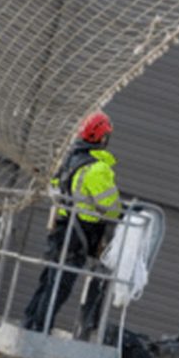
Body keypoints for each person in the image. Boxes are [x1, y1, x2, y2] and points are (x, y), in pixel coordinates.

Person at [22, 110, 123, 334]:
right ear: (102, 138)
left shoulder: (69, 162)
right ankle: (40, 327)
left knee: (48, 279)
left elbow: (57, 187)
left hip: (61, 230)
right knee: (60, 285)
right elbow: (111, 208)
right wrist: (124, 212)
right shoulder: (97, 169)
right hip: (79, 237)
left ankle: (30, 321)